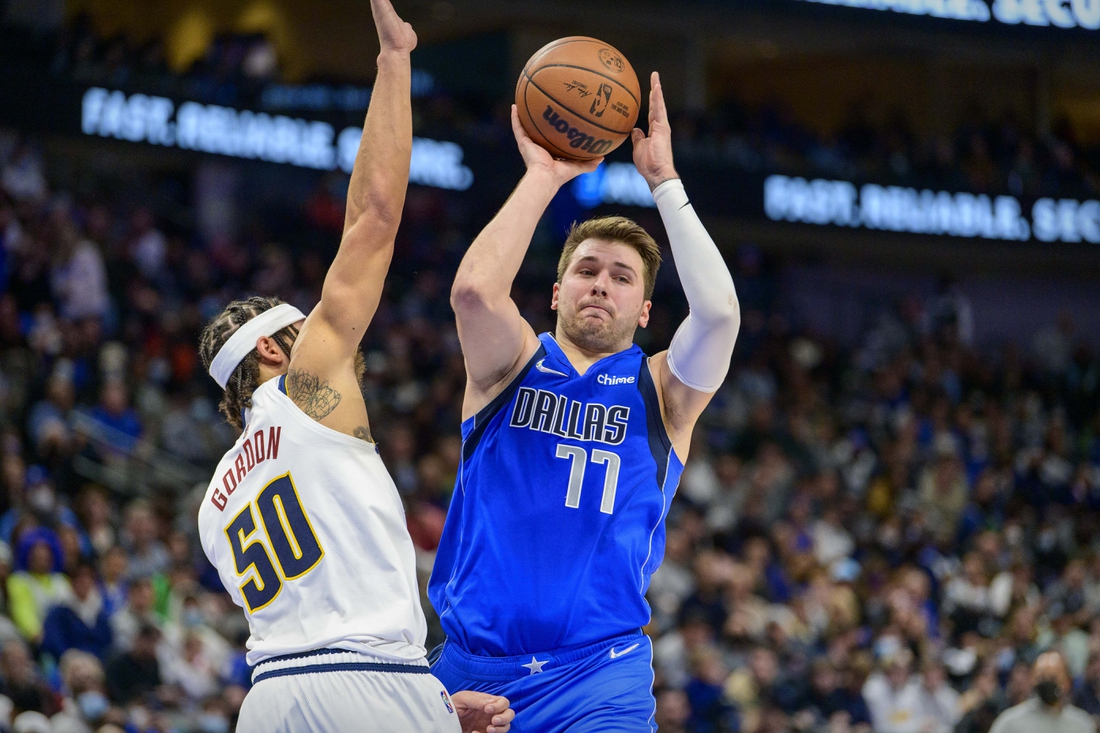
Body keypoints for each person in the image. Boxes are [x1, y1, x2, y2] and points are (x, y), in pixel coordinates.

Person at [193, 2, 513, 733]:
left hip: (271, 698)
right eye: (302, 325)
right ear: (276, 349)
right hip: (369, 687)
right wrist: (394, 61)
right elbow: (374, 216)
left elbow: (319, 615)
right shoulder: (307, 389)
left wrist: (428, 702)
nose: (325, 327)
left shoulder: (214, 501)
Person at [429, 71, 741, 730]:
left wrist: (665, 182)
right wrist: (543, 175)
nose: (601, 284)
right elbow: (474, 294)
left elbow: (718, 316)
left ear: (647, 308)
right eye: (587, 270)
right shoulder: (509, 363)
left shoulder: (662, 390)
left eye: (622, 276)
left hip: (599, 672)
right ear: (555, 291)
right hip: (470, 668)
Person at [989, 651, 1095, 733]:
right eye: (1042, 677)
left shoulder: (1081, 724)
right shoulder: (1010, 723)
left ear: (1067, 682)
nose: (1047, 682)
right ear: (1032, 680)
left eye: (1053, 677)